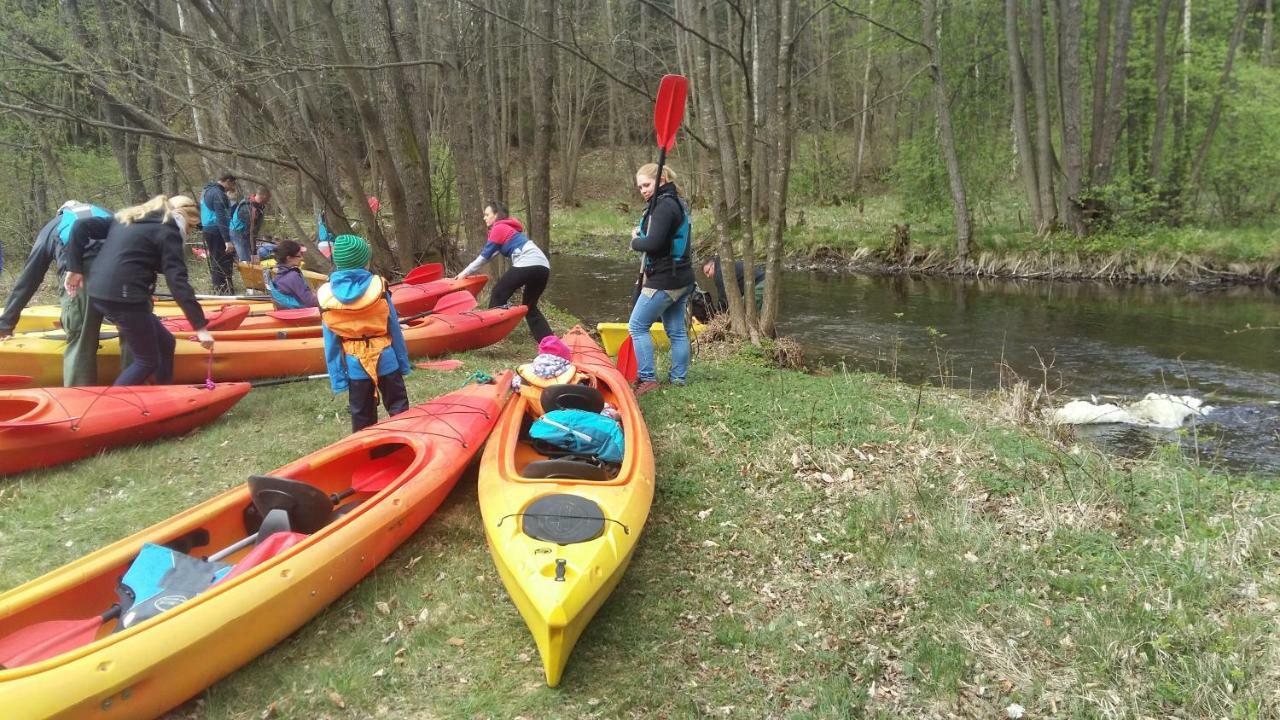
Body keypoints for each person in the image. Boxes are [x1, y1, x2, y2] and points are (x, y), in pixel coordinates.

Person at [65, 196, 214, 385]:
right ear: (186, 217)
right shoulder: (168, 230)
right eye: (192, 227)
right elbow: (178, 282)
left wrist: (75, 268)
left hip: (99, 291)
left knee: (166, 343)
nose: (189, 231)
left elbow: (80, 227)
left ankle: (165, 393)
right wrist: (200, 328)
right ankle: (114, 407)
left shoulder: (130, 218)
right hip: (124, 298)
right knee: (146, 361)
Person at [0, 202, 115, 385]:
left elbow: (30, 277)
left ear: (59, 212)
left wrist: (7, 322)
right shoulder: (106, 212)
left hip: (81, 278)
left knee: (81, 340)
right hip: (121, 270)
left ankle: (80, 399)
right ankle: (139, 395)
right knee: (133, 333)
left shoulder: (53, 225)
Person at [319, 234, 411, 433]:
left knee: (361, 415)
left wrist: (338, 378)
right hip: (386, 359)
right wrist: (403, 363)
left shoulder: (327, 297)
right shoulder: (379, 288)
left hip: (355, 365)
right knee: (399, 408)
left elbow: (331, 343)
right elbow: (393, 327)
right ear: (365, 262)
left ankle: (367, 452)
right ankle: (404, 446)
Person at [627, 163, 695, 396]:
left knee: (637, 326)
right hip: (683, 277)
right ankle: (678, 379)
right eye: (640, 187)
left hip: (666, 280)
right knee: (676, 331)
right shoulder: (675, 202)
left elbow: (654, 244)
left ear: (662, 179)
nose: (643, 190)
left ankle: (647, 379)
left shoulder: (664, 207)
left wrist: (635, 240)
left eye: (647, 184)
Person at [454, 201, 553, 341]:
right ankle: (549, 342)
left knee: (498, 293)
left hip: (528, 262)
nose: (484, 218)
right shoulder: (509, 229)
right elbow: (491, 255)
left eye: (487, 214)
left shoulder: (499, 228)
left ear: (496, 215)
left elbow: (484, 257)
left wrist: (464, 273)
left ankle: (489, 335)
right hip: (543, 266)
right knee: (529, 307)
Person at [200, 171, 238, 294]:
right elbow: (221, 216)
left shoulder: (207, 191)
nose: (233, 188)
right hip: (217, 231)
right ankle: (225, 290)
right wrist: (227, 240)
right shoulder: (218, 193)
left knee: (216, 260)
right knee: (223, 260)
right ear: (227, 181)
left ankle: (221, 288)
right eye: (233, 185)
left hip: (209, 229)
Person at [702, 255, 766, 315]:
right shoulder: (726, 264)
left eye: (707, 272)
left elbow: (723, 297)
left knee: (742, 311)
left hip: (759, 286)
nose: (708, 276)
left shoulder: (719, 273)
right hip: (764, 281)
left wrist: (719, 314)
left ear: (713, 265)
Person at [267, 240, 318, 309]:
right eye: (299, 256)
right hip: (301, 314)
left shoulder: (279, 275)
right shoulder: (293, 276)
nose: (302, 258)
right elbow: (310, 302)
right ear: (289, 258)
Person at [229, 188, 271, 263]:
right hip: (239, 233)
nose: (269, 201)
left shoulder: (258, 205)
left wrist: (254, 252)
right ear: (264, 196)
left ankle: (252, 264)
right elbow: (251, 232)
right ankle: (248, 270)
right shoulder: (248, 208)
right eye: (268, 198)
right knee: (246, 259)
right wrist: (253, 252)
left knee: (252, 257)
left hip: (247, 234)